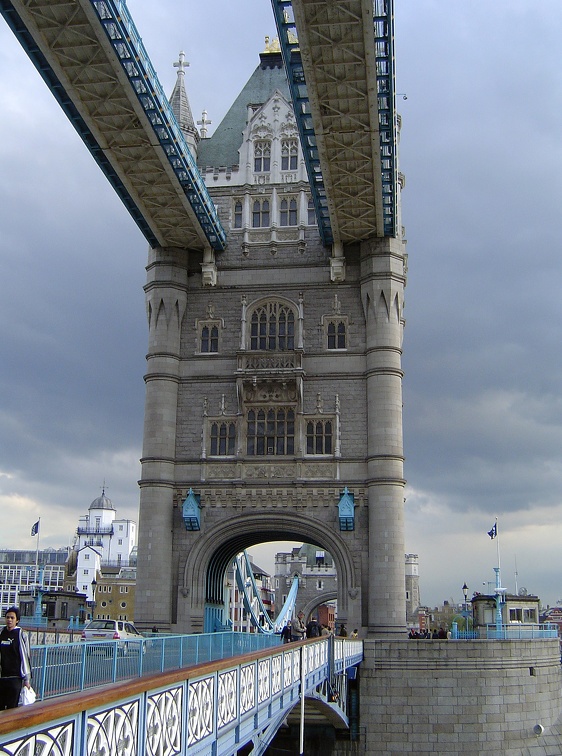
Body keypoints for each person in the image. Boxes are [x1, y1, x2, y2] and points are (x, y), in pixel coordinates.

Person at [0, 606, 32, 710]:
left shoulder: (21, 634)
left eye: (12, 618)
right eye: (7, 617)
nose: (9, 620)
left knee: (11, 708)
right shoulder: (1, 632)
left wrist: (27, 679)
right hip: (2, 677)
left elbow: (26, 657)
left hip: (15, 678)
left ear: (17, 620)